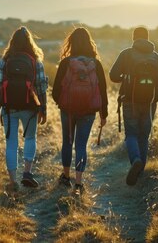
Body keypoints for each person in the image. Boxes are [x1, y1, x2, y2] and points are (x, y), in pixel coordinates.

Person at [0, 26, 48, 192]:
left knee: (11, 143)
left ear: (12, 42)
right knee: (30, 138)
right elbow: (41, 87)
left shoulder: (5, 61)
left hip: (9, 108)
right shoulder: (36, 61)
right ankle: (27, 173)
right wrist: (43, 109)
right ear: (30, 42)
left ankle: (12, 181)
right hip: (29, 107)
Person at [52, 27, 108, 194]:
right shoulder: (95, 64)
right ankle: (78, 183)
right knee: (81, 145)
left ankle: (66, 177)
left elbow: (55, 90)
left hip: (68, 111)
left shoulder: (65, 63)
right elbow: (103, 91)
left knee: (67, 142)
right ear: (89, 43)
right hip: (89, 111)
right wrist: (103, 114)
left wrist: (62, 104)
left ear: (71, 43)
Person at [110, 26, 158, 186]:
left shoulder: (126, 54)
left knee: (131, 135)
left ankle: (135, 160)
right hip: (150, 102)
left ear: (134, 38)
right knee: (144, 136)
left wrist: (126, 77)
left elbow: (112, 75)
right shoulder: (156, 57)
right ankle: (140, 173)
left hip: (130, 101)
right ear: (148, 38)